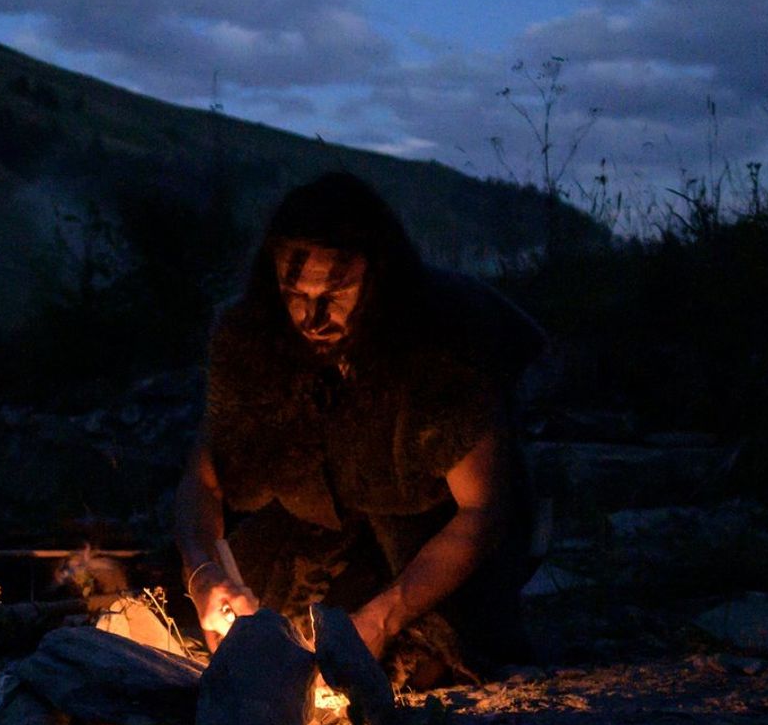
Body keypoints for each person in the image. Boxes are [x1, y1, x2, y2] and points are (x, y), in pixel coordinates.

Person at [175, 171, 546, 684]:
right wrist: (204, 573)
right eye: (295, 292)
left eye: (337, 292)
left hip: (429, 524)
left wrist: (383, 615)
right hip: (320, 519)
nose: (314, 317)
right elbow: (203, 481)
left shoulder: (441, 347)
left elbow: (485, 510)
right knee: (235, 620)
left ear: (378, 281)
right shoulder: (252, 340)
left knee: (435, 651)